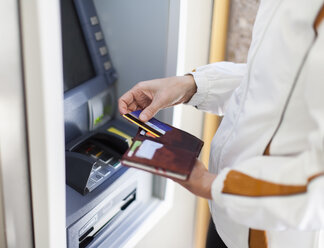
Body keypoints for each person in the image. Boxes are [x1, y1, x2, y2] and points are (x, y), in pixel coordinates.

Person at [118, 1, 324, 248]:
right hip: (226, 217)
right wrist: (191, 86)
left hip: (269, 233)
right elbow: (274, 81)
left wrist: (212, 185)